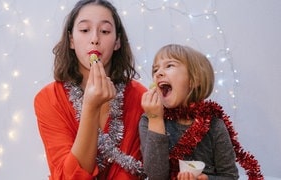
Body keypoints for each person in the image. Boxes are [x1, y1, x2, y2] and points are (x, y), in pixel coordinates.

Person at [34, 0, 147, 179]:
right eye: (85, 30)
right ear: (71, 40)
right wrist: (90, 108)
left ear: (117, 42)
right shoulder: (49, 98)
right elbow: (68, 177)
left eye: (105, 31)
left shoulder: (140, 96)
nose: (94, 38)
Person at [139, 44, 263, 180]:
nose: (158, 73)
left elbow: (230, 176)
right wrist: (156, 120)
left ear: (194, 80)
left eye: (169, 66)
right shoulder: (149, 120)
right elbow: (156, 176)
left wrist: (206, 179)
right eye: (155, 69)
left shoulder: (214, 124)